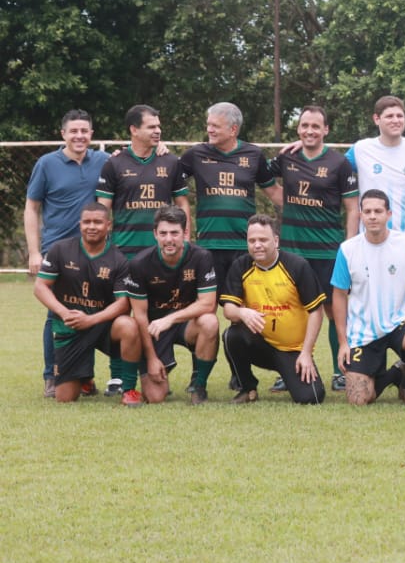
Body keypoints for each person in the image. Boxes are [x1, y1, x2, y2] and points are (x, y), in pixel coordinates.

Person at [271, 105, 358, 392]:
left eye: (315, 126)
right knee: (291, 309)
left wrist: (350, 246)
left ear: (326, 130)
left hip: (328, 250)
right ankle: (289, 369)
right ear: (298, 129)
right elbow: (260, 177)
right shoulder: (286, 157)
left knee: (335, 310)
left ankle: (340, 370)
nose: (309, 130)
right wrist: (284, 201)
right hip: (293, 250)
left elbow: (352, 207)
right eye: (304, 125)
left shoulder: (339, 163)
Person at [26, 109, 111, 396]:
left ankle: (84, 377)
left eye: (84, 131)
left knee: (93, 313)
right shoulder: (47, 164)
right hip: (57, 253)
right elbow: (32, 207)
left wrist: (159, 146)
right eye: (73, 131)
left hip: (95, 253)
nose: (79, 136)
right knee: (57, 316)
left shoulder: (103, 160)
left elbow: (134, 160)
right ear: (63, 134)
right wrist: (34, 252)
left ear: (91, 133)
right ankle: (53, 376)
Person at [331, 190, 405, 406]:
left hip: (400, 323)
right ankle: (396, 374)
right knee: (359, 399)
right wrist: (343, 342)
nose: (372, 216)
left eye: (378, 211)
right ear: (361, 215)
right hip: (363, 331)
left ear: (388, 214)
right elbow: (339, 296)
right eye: (368, 211)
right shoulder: (347, 249)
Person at [34, 202, 140, 405]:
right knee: (64, 398)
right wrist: (64, 313)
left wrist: (90, 320)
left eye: (98, 222)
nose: (92, 226)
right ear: (79, 224)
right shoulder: (60, 249)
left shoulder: (118, 259)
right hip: (70, 326)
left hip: (101, 325)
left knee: (128, 325)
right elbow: (40, 287)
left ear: (108, 225)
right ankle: (84, 378)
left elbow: (123, 304)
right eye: (87, 222)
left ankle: (129, 389)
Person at [219, 215, 326, 404]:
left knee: (311, 398)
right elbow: (228, 309)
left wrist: (306, 353)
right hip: (261, 345)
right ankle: (247, 388)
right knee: (232, 335)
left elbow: (316, 311)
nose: (257, 245)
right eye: (252, 241)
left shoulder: (297, 265)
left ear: (275, 241)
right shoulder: (241, 266)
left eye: (263, 240)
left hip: (293, 350)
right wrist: (242, 312)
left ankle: (289, 373)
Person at [178, 102, 281, 294]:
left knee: (245, 305)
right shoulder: (196, 154)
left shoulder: (253, 154)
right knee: (206, 309)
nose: (209, 130)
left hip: (245, 246)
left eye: (215, 126)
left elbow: (274, 192)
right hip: (208, 246)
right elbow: (165, 175)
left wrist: (304, 210)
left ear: (233, 129)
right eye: (208, 124)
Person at [125, 207, 219, 404]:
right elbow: (140, 316)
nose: (169, 239)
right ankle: (160, 364)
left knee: (210, 322)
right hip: (154, 329)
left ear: (185, 233)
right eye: (163, 233)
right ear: (155, 234)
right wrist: (151, 358)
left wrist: (170, 319)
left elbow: (208, 304)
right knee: (155, 397)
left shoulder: (202, 257)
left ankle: (198, 385)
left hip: (185, 324)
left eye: (175, 233)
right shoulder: (139, 264)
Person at [344, 95, 405, 248]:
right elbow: (332, 167)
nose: (396, 120)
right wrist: (305, 146)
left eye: (399, 116)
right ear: (376, 119)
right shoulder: (361, 149)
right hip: (370, 242)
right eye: (389, 116)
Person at [95, 104, 190, 258]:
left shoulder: (171, 162)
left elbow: (182, 204)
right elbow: (102, 210)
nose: (158, 131)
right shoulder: (114, 163)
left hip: (162, 251)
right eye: (151, 127)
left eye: (158, 126)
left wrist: (185, 241)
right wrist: (102, 245)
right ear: (134, 130)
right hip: (124, 251)